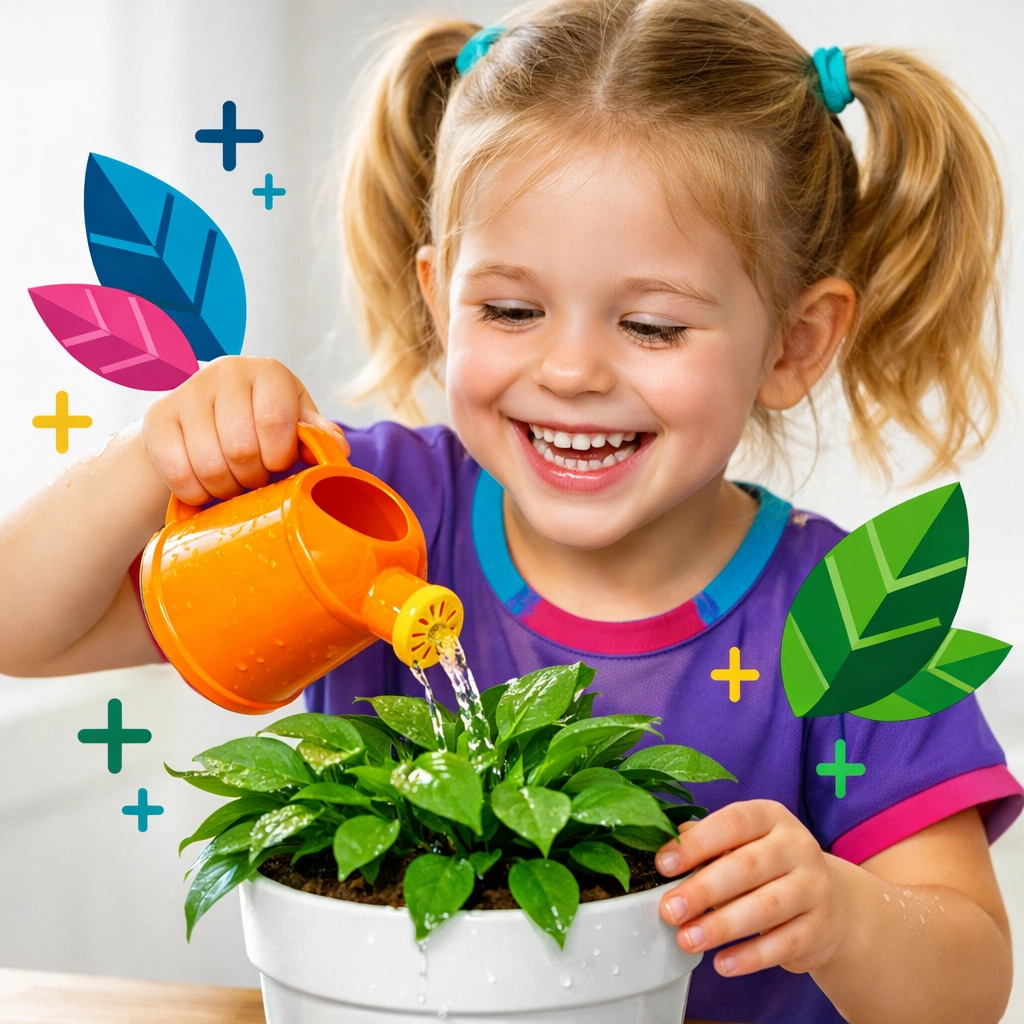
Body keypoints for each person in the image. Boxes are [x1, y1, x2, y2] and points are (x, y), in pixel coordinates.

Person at [0, 1, 1019, 1021]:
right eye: (512, 310)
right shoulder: (370, 512)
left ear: (794, 343)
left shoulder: (855, 619)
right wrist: (149, 458)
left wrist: (844, 913)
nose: (570, 370)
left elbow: (968, 986)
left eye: (651, 324)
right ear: (440, 301)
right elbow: (22, 626)